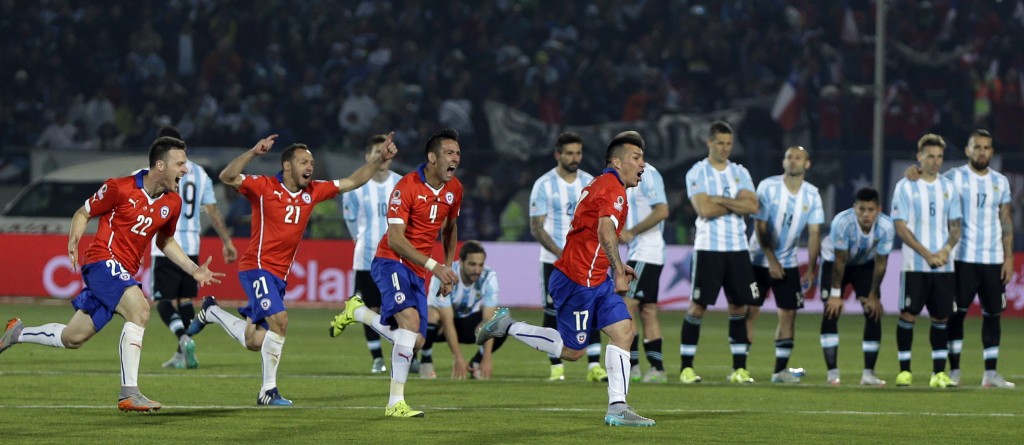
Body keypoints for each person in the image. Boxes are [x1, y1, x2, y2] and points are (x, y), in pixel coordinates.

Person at [0, 136, 223, 412]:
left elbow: (164, 241)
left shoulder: (172, 203)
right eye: (180, 164)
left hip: (122, 272)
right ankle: (129, 393)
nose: (185, 170)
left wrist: (193, 268)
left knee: (73, 338)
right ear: (160, 165)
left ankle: (18, 333)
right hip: (102, 262)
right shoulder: (119, 188)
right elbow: (83, 213)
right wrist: (73, 239)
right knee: (140, 310)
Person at [185, 133, 397, 406]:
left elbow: (354, 181)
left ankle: (211, 311)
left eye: (311, 162)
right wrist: (253, 153)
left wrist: (379, 159)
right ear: (287, 166)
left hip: (278, 276)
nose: (310, 166)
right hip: (257, 267)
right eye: (303, 162)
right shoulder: (263, 187)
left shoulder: (314, 191)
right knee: (280, 320)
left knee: (254, 340)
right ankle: (268, 391)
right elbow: (227, 176)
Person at [476, 131, 655, 427]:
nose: (642, 165)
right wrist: (619, 270)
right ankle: (507, 325)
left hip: (595, 279)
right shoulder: (613, 188)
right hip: (577, 280)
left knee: (624, 331)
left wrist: (616, 266)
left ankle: (618, 407)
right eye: (636, 158)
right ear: (617, 161)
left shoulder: (604, 184)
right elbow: (605, 231)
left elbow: (598, 234)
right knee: (573, 351)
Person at [330, 128, 463, 418]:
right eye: (450, 153)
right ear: (432, 157)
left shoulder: (455, 190)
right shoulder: (407, 186)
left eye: (458, 154)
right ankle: (395, 403)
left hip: (418, 269)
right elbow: (395, 240)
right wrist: (435, 266)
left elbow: (450, 227)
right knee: (410, 322)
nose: (456, 158)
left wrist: (449, 264)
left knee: (415, 340)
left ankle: (359, 313)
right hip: (391, 261)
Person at [905, 129, 1015, 388]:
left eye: (986, 147)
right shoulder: (953, 178)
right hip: (962, 258)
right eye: (977, 147)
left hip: (993, 259)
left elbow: (1006, 221)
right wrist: (913, 171)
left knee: (993, 315)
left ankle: (990, 373)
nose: (981, 152)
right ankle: (954, 370)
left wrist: (1009, 257)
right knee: (956, 315)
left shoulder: (1000, 182)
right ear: (967, 150)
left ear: (992, 152)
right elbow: (927, 180)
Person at [151, 126, 237, 370]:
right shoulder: (200, 174)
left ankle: (182, 338)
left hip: (166, 244)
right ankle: (181, 353)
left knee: (163, 300)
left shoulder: (159, 170)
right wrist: (227, 241)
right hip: (191, 244)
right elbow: (213, 211)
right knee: (186, 300)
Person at [680, 121, 759, 384]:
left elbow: (753, 206)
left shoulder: (740, 171)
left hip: (738, 248)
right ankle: (686, 368)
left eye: (728, 144)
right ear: (709, 143)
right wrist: (736, 202)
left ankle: (739, 369)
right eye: (720, 143)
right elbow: (704, 210)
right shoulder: (697, 172)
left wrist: (720, 199)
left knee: (739, 306)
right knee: (698, 306)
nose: (725, 148)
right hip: (709, 247)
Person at [528, 131, 605, 382]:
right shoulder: (544, 185)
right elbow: (537, 227)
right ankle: (556, 366)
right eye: (569, 153)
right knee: (553, 311)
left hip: (586, 262)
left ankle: (594, 366)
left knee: (590, 308)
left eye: (578, 153)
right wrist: (563, 254)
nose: (575, 158)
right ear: (557, 155)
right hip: (554, 262)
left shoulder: (591, 183)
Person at [747, 146, 823, 384]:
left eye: (798, 158)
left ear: (806, 164)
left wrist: (811, 268)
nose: (793, 161)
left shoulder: (812, 195)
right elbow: (759, 226)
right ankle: (739, 368)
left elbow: (813, 234)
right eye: (789, 157)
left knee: (788, 314)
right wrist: (771, 260)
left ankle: (779, 372)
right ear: (783, 161)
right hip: (758, 259)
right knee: (749, 311)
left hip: (788, 262)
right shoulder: (768, 187)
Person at [891, 133, 962, 388]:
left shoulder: (949, 187)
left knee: (941, 317)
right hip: (915, 265)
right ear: (919, 156)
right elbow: (900, 226)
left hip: (944, 265)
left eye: (939, 156)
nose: (935, 161)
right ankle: (904, 371)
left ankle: (938, 374)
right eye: (930, 156)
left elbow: (956, 225)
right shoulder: (905, 186)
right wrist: (926, 254)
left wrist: (945, 250)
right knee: (908, 314)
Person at [329, 134, 402, 375]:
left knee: (397, 307)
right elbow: (350, 220)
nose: (381, 157)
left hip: (395, 257)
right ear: (367, 156)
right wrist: (360, 239)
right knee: (368, 308)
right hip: (366, 258)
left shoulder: (402, 184)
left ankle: (400, 354)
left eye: (385, 152)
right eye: (376, 153)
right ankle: (377, 358)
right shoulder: (356, 188)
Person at [819, 187, 893, 386]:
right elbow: (840, 260)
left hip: (864, 265)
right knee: (831, 310)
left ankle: (868, 374)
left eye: (870, 209)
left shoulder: (886, 226)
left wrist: (873, 295)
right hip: (834, 262)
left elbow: (881, 263)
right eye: (861, 209)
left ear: (879, 209)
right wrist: (835, 294)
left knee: (873, 311)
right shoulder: (842, 223)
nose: (866, 214)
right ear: (854, 208)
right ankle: (832, 372)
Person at [419, 240, 504, 379]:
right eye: (472, 264)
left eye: (480, 265)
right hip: (441, 326)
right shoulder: (445, 275)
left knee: (501, 318)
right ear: (461, 262)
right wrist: (458, 357)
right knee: (430, 315)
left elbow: (489, 321)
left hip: (466, 323)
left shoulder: (489, 277)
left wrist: (487, 358)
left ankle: (476, 363)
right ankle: (425, 360)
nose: (477, 269)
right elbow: (447, 321)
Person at [619, 155, 669, 384]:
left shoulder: (649, 173)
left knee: (626, 305)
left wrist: (632, 232)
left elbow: (661, 210)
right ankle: (656, 368)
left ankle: (633, 365)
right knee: (647, 310)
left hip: (645, 252)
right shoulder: (630, 176)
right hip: (644, 252)